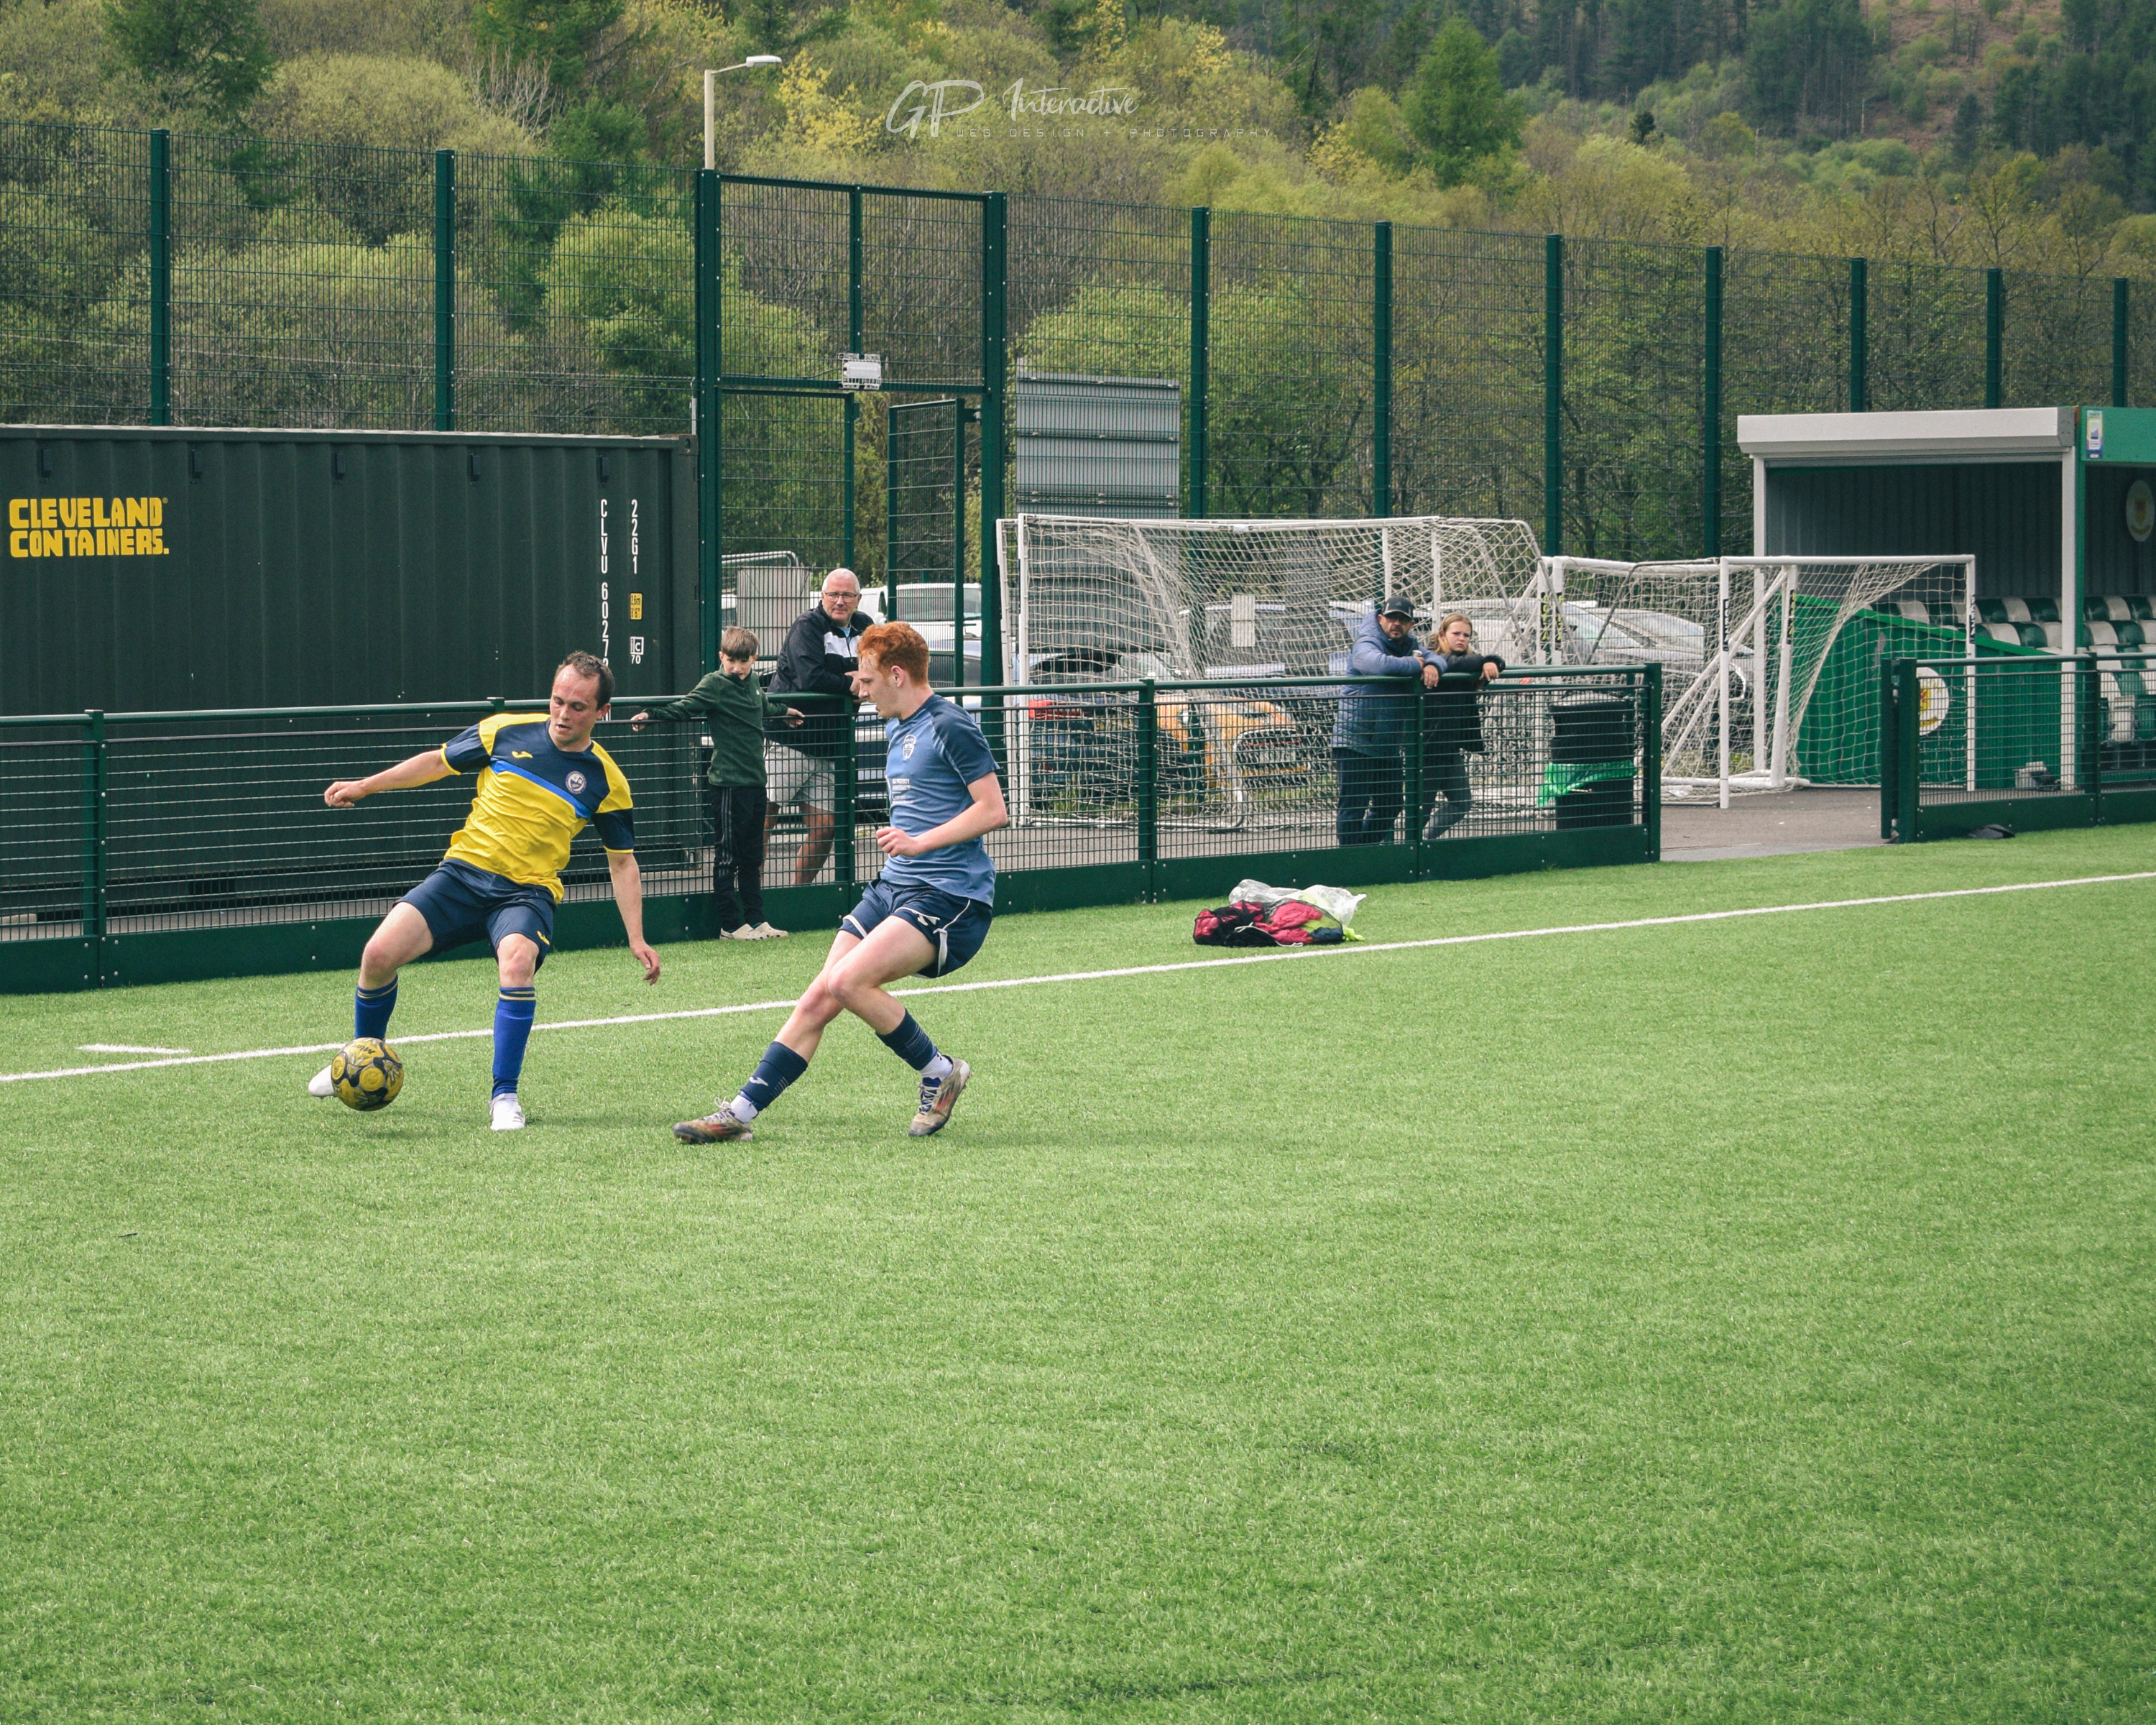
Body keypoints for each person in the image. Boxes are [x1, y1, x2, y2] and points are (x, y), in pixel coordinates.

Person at [672, 621, 1005, 1146]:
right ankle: (739, 1113)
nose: (859, 689)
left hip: (949, 897)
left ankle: (939, 1070)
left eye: (868, 681)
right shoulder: (899, 724)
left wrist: (920, 843)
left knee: (849, 982)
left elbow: (994, 810)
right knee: (819, 997)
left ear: (897, 675)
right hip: (893, 886)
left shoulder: (950, 725)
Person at [308, 652, 661, 1131]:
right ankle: (359, 1058)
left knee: (516, 965)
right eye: (557, 701)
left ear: (602, 713)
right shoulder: (504, 731)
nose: (562, 714)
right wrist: (365, 786)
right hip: (461, 877)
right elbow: (436, 762)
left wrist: (636, 937)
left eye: (578, 707)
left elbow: (622, 862)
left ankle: (504, 1098)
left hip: (526, 895)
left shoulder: (607, 780)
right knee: (377, 954)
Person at [630, 627, 803, 941]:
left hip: (755, 782)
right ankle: (730, 924)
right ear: (722, 657)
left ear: (754, 659)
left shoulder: (751, 683)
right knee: (727, 855)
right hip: (727, 784)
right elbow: (684, 707)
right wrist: (651, 715)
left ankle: (756, 919)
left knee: (753, 855)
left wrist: (785, 711)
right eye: (731, 661)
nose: (737, 668)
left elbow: (763, 705)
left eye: (743, 662)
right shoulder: (714, 684)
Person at [768, 567, 869, 886]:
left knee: (825, 827)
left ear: (858, 598)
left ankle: (800, 895)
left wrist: (840, 675)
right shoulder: (807, 626)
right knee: (763, 821)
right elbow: (809, 677)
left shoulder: (866, 627)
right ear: (821, 596)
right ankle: (751, 904)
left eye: (847, 595)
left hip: (831, 746)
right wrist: (850, 679)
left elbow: (872, 670)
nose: (840, 601)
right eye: (833, 594)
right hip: (789, 740)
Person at [1330, 593, 1426, 846]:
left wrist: (1433, 666)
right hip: (1355, 740)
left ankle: (1365, 850)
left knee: (1392, 803)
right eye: (1392, 618)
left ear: (1411, 625)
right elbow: (1377, 664)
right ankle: (1351, 860)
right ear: (1381, 618)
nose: (1397, 624)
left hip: (1386, 744)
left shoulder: (1411, 644)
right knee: (1354, 806)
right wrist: (1417, 665)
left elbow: (1434, 657)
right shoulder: (1366, 641)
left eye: (1403, 620)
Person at [1416, 611, 1506, 840]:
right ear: (1442, 634)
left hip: (1450, 748)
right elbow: (1452, 663)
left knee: (1461, 801)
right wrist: (1487, 660)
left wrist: (1493, 661)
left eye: (1467, 635)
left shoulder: (1468, 662)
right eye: (1456, 633)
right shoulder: (1434, 660)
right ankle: (1404, 851)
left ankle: (1424, 840)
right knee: (1420, 809)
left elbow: (1495, 662)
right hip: (1428, 748)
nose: (1462, 638)